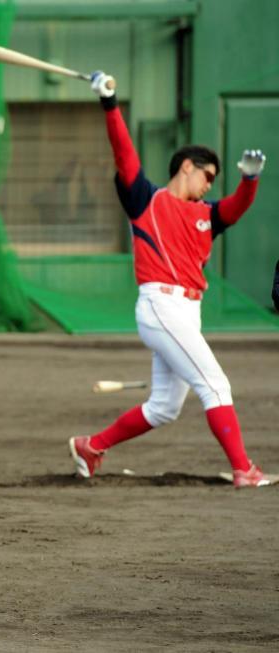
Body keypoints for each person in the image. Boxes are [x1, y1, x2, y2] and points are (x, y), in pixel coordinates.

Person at [69, 72, 272, 488]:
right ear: (186, 166)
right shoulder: (146, 198)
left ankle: (91, 446)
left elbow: (234, 208)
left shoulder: (206, 215)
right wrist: (110, 103)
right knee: (215, 384)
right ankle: (243, 469)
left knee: (163, 407)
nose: (209, 185)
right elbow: (124, 154)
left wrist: (249, 181)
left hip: (184, 313)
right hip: (161, 307)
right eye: (207, 175)